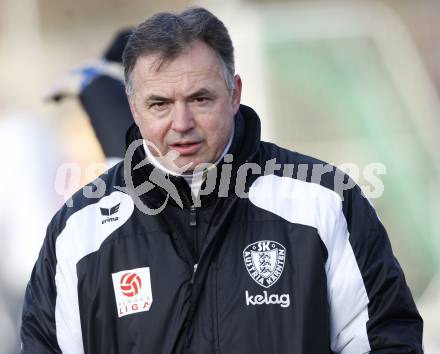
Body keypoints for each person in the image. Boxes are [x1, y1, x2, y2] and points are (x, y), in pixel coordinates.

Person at [20, 7, 423, 354]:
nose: (182, 124)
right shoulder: (80, 230)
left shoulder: (325, 202)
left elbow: (388, 339)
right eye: (159, 104)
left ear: (234, 95)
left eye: (200, 99)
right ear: (133, 108)